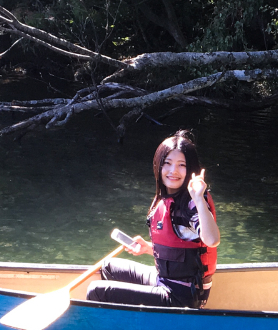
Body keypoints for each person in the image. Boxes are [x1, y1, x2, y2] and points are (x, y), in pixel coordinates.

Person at [87, 130, 221, 308]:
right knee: (107, 267)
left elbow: (212, 240)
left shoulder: (192, 203)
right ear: (159, 165)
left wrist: (198, 198)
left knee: (95, 291)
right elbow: (182, 254)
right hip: (164, 279)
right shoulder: (166, 198)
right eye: (168, 163)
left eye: (182, 165)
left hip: (181, 295)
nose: (173, 171)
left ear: (191, 169)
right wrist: (149, 248)